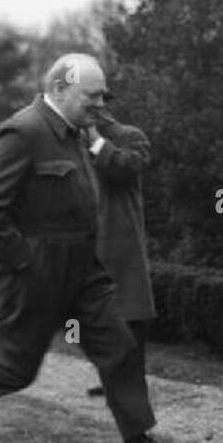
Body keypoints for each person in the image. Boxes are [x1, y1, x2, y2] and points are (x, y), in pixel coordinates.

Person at [0, 54, 190, 443]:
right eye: (91, 96)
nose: (100, 105)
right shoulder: (23, 131)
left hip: (84, 267)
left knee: (119, 344)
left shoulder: (75, 132)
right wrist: (23, 265)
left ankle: (138, 441)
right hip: (34, 271)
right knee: (12, 368)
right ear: (58, 89)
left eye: (103, 96)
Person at [82, 109, 156, 398]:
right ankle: (111, 377)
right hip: (90, 239)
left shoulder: (129, 136)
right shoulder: (72, 141)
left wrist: (97, 141)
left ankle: (132, 380)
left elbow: (128, 166)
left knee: (131, 314)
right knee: (99, 315)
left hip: (121, 240)